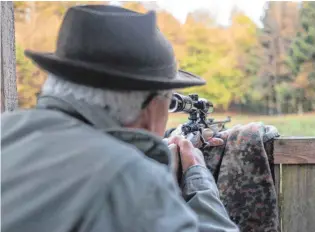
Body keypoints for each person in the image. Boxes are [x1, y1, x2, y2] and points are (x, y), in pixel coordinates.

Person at [1, 5, 239, 232]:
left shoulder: (6, 129)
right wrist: (199, 178)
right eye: (169, 105)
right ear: (151, 108)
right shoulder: (128, 176)